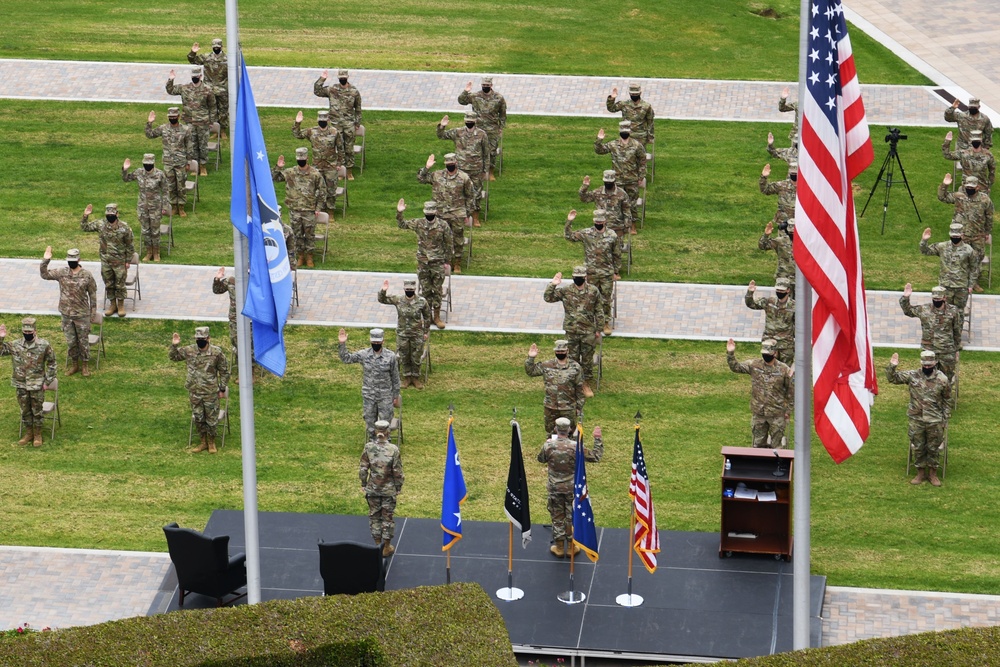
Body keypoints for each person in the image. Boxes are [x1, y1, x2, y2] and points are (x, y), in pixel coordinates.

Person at [537, 417, 603, 558]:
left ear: (556, 429)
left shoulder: (548, 446)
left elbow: (541, 459)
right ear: (569, 430)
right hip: (573, 488)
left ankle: (559, 547)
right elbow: (595, 456)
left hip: (555, 488)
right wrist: (597, 439)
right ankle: (572, 546)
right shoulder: (575, 447)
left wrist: (549, 442)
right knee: (572, 516)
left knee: (557, 516)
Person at [886, 351, 950, 486]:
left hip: (935, 420)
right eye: (925, 365)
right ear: (921, 364)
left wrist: (945, 419)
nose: (927, 367)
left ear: (934, 363)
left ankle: (933, 474)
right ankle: (920, 472)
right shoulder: (913, 375)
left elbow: (947, 400)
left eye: (929, 365)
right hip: (916, 419)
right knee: (919, 446)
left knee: (933, 447)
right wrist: (892, 366)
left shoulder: (942, 379)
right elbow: (892, 379)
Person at [543, 268, 605, 398]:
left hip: (588, 331)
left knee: (587, 359)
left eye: (581, 276)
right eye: (576, 276)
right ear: (572, 277)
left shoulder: (593, 291)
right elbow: (548, 298)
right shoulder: (566, 291)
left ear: (585, 277)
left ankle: (585, 383)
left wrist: (599, 329)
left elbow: (599, 310)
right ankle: (573, 382)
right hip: (572, 331)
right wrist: (553, 284)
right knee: (572, 358)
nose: (578, 278)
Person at [170, 327, 229, 454]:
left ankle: (211, 442)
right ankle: (203, 442)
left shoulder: (216, 353)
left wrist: (222, 387)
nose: (200, 341)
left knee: (211, 419)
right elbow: (173, 357)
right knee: (198, 417)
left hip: (210, 392)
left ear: (208, 338)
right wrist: (174, 346)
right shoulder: (189, 350)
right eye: (198, 339)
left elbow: (224, 371)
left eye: (202, 339)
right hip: (195, 391)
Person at [726, 338, 794, 449]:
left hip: (776, 415)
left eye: (768, 353)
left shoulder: (784, 370)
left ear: (775, 353)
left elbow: (791, 391)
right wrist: (730, 353)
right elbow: (735, 367)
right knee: (758, 446)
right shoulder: (754, 365)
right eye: (764, 353)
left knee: (777, 448)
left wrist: (788, 410)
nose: (765, 356)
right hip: (759, 414)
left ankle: (777, 466)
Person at [40, 247, 97, 377]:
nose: (71, 262)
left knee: (83, 342)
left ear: (79, 260)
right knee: (71, 342)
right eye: (69, 260)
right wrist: (45, 260)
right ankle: (74, 365)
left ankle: (85, 366)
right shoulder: (62, 272)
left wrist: (92, 314)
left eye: (74, 260)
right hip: (66, 315)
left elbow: (93, 294)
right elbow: (44, 275)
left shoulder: (86, 275)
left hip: (82, 315)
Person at [0, 318, 57, 447]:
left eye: (29, 331)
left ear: (35, 331)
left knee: (37, 410)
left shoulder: (43, 345)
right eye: (25, 331)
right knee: (25, 410)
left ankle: (37, 434)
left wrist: (47, 381)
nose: (27, 333)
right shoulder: (15, 345)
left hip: (37, 384)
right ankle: (28, 433)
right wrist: (1, 338)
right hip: (21, 384)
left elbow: (52, 363)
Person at [396, 199, 452, 329]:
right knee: (426, 291)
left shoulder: (443, 226)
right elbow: (402, 225)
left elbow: (449, 243)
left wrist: (447, 261)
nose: (429, 215)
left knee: (437, 290)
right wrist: (399, 213)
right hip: (423, 262)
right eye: (427, 213)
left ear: (436, 212)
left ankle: (437, 317)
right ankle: (427, 318)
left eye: (431, 213)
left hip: (438, 262)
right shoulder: (419, 223)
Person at [338, 328, 400, 441]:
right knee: (370, 422)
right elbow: (346, 359)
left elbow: (395, 378)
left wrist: (395, 396)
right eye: (374, 342)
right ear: (370, 341)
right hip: (369, 396)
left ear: (383, 341)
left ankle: (386, 448)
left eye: (378, 342)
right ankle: (372, 446)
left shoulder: (391, 356)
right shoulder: (364, 355)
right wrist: (342, 343)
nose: (376, 344)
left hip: (385, 396)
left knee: (385, 423)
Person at [564, 209, 620, 333]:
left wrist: (616, 272)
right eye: (596, 221)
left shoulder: (612, 235)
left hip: (606, 273)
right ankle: (591, 321)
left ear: (605, 221)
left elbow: (616, 254)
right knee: (590, 297)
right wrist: (569, 221)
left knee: (606, 298)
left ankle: (605, 322)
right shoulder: (587, 233)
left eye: (600, 221)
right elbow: (569, 236)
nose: (598, 223)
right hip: (591, 272)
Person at [417, 153, 474, 274]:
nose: (450, 166)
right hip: (440, 213)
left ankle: (457, 262)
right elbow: (421, 179)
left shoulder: (464, 178)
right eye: (448, 164)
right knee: (439, 238)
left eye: (452, 164)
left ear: (456, 163)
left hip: (457, 213)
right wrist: (427, 168)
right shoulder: (437, 175)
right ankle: (442, 262)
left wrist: (467, 213)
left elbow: (470, 196)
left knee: (457, 238)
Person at [272, 148, 327, 268]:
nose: (301, 161)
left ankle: (310, 256)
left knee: (309, 234)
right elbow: (274, 178)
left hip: (309, 210)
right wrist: (278, 166)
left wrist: (318, 207)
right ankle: (300, 255)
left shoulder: (315, 174)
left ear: (307, 158)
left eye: (303, 159)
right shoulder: (290, 172)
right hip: (295, 210)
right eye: (299, 159)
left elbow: (322, 191)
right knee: (297, 234)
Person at [937, 173, 993, 292]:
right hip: (961, 235)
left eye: (972, 188)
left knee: (977, 259)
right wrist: (944, 185)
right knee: (960, 259)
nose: (969, 189)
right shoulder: (959, 196)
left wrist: (987, 232)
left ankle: (974, 282)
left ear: (977, 187)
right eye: (967, 187)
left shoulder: (985, 200)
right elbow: (942, 197)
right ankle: (960, 281)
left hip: (978, 235)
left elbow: (989, 217)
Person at [80, 203, 135, 318]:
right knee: (109, 283)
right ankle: (112, 304)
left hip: (120, 261)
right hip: (106, 261)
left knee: (120, 284)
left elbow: (130, 245)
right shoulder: (101, 224)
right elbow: (85, 228)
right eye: (108, 214)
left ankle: (120, 305)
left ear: (117, 214)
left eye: (112, 214)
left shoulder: (124, 227)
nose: (110, 216)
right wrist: (85, 216)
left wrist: (128, 260)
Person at [899, 284, 962, 383]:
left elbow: (957, 330)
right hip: (929, 349)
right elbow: (908, 311)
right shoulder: (925, 309)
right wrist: (906, 297)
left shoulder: (953, 311)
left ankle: (945, 397)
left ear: (944, 298)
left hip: (947, 350)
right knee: (928, 378)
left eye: (939, 298)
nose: (936, 301)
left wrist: (957, 348)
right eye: (934, 299)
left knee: (947, 378)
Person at [359, 419, 404, 557]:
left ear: (376, 432)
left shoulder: (368, 448)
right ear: (388, 432)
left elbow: (363, 469)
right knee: (387, 518)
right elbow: (397, 471)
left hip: (372, 489)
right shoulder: (393, 450)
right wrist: (398, 486)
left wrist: (363, 484)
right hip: (388, 490)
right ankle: (386, 547)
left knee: (374, 516)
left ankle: (377, 543)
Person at [436, 113, 489, 226]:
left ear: (475, 121)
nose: (469, 123)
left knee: (476, 192)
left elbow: (486, 153)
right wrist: (442, 126)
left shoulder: (481, 134)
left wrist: (485, 170)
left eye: (471, 121)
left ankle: (475, 217)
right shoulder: (458, 132)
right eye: (467, 121)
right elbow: (441, 136)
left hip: (476, 169)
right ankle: (462, 216)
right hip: (460, 170)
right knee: (460, 193)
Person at [378, 278, 431, 389]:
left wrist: (426, 331)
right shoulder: (398, 299)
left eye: (411, 289)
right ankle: (407, 377)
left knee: (416, 356)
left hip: (417, 334)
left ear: (415, 289)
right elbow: (382, 300)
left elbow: (427, 316)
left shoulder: (422, 301)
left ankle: (415, 377)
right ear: (404, 289)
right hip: (403, 334)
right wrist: (383, 290)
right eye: (407, 289)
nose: (409, 291)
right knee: (404, 355)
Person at [525, 340, 585, 436]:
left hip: (568, 407)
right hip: (550, 407)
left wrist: (579, 407)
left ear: (567, 351)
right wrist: (531, 358)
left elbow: (580, 388)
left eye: (562, 351)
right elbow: (531, 371)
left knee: (570, 433)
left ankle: (569, 450)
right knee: (551, 433)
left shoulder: (575, 367)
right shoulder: (547, 365)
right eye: (558, 351)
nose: (560, 353)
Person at [293, 110, 345, 217]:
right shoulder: (312, 131)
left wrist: (339, 163)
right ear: (318, 120)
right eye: (320, 120)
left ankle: (330, 212)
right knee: (316, 189)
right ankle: (318, 210)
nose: (322, 122)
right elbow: (297, 134)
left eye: (324, 120)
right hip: (317, 166)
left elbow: (340, 148)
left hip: (331, 166)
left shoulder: (334, 132)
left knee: (331, 189)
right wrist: (297, 123)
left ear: (328, 120)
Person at [165, 67, 216, 176]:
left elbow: (212, 107)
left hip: (203, 122)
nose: (195, 79)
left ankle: (203, 166)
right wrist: (171, 79)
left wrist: (211, 121)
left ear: (200, 77)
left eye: (196, 77)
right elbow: (170, 90)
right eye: (193, 77)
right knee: (191, 145)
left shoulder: (207, 89)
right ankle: (195, 165)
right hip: (189, 122)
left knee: (202, 145)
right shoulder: (185, 88)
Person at [145, 107, 194, 217]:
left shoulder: (186, 129)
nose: (172, 118)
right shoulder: (163, 128)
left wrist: (189, 162)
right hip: (168, 162)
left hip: (181, 162)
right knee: (170, 186)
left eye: (174, 117)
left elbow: (189, 146)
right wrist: (149, 123)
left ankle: (181, 207)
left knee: (181, 186)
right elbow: (150, 135)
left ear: (178, 117)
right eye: (170, 117)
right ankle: (173, 206)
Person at [313, 69, 362, 179]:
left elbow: (358, 108)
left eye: (344, 77)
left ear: (347, 77)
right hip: (335, 124)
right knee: (337, 149)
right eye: (341, 78)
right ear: (338, 78)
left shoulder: (354, 91)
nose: (342, 79)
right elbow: (317, 91)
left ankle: (349, 171)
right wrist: (322, 79)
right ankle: (340, 170)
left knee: (348, 148)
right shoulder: (332, 89)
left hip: (349, 124)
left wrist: (357, 122)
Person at [920, 224, 975, 320]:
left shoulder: (968, 250)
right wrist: (924, 240)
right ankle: (946, 332)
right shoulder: (943, 246)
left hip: (961, 286)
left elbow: (974, 268)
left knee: (959, 311)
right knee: (944, 311)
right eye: (953, 237)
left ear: (962, 235)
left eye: (957, 237)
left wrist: (971, 285)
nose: (955, 238)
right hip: (945, 286)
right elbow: (925, 251)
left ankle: (957, 332)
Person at [458, 76, 506, 180]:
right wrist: (466, 91)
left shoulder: (499, 98)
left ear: (491, 85)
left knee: (491, 151)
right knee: (476, 149)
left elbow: (502, 114)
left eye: (487, 85)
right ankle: (476, 170)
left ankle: (490, 172)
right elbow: (461, 101)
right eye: (484, 85)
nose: (485, 87)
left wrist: (501, 128)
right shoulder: (475, 96)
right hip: (477, 128)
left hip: (492, 128)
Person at [121, 154, 168, 261]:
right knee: (145, 230)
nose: (147, 166)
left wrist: (164, 206)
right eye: (145, 164)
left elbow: (165, 191)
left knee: (155, 231)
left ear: (153, 164)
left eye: (149, 164)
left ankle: (156, 252)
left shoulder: (160, 174)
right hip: (143, 206)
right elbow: (126, 179)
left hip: (155, 207)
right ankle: (149, 252)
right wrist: (125, 170)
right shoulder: (139, 172)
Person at [594, 121, 646, 208]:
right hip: (618, 180)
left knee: (632, 204)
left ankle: (632, 221)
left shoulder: (637, 145)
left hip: (632, 179)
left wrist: (641, 176)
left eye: (626, 131)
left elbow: (642, 161)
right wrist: (599, 140)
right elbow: (599, 151)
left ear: (629, 132)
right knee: (617, 204)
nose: (624, 133)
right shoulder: (613, 144)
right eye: (623, 131)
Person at [745, 278, 795, 363]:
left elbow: (799, 327)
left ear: (788, 290)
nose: (779, 292)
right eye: (777, 290)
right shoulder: (769, 301)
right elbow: (751, 304)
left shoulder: (794, 307)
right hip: (769, 342)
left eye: (782, 290)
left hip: (785, 345)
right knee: (769, 369)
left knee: (785, 370)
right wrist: (750, 292)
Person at [187, 39, 228, 136]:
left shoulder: (227, 59)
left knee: (223, 111)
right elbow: (192, 60)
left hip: (222, 89)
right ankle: (214, 129)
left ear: (221, 47)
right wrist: (193, 52)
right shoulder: (206, 57)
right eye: (215, 47)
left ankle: (222, 130)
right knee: (211, 110)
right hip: (209, 89)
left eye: (218, 47)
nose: (216, 48)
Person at [579, 170, 634, 238]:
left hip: (617, 228)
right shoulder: (598, 192)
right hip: (601, 227)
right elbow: (584, 199)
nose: (608, 184)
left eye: (610, 182)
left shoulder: (621, 194)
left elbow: (626, 210)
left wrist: (627, 225)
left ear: (614, 181)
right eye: (606, 182)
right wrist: (584, 187)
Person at [758, 219, 795, 299]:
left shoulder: (806, 243)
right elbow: (763, 246)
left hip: (801, 279)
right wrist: (766, 235)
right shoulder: (781, 241)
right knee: (784, 303)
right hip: (784, 277)